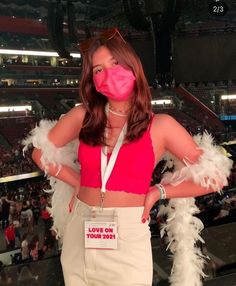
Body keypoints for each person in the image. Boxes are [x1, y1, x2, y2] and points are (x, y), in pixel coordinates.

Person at [23, 28, 232, 286]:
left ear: (132, 67)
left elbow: (215, 175)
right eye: (98, 70)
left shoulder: (161, 125)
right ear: (92, 80)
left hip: (127, 238)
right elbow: (40, 152)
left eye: (114, 63)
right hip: (81, 230)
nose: (107, 73)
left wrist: (159, 191)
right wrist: (77, 181)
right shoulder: (82, 116)